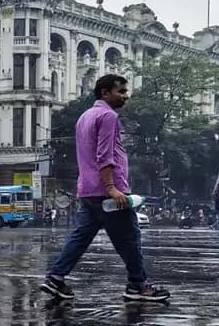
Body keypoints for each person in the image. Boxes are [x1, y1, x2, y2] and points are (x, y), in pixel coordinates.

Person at [40, 74, 168, 303]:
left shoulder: (85, 116)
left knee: (80, 238)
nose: (125, 96)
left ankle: (55, 278)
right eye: (120, 92)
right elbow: (104, 155)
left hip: (88, 190)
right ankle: (138, 286)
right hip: (109, 192)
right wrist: (111, 187)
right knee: (130, 239)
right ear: (105, 93)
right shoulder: (108, 116)